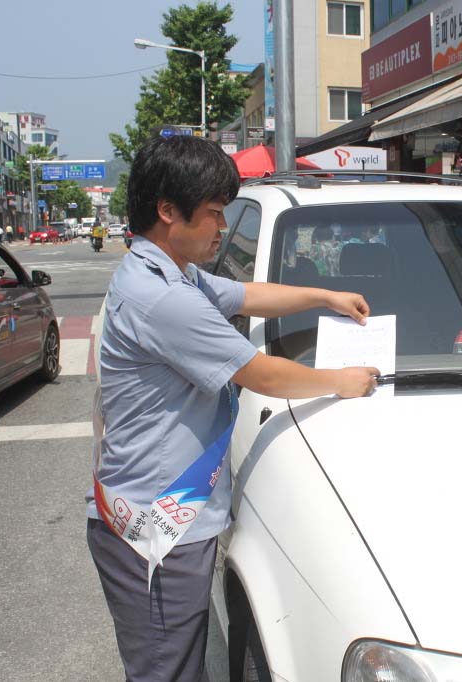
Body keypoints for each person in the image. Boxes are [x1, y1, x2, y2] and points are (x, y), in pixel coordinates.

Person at [86, 135, 378, 682]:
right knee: (167, 672)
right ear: (167, 211)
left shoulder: (169, 271)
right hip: (157, 529)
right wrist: (341, 380)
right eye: (214, 213)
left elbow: (246, 296)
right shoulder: (164, 297)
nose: (222, 227)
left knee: (175, 665)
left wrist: (324, 296)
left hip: (158, 513)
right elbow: (261, 374)